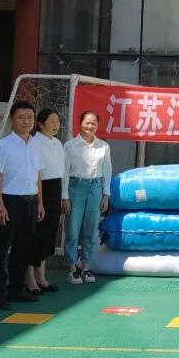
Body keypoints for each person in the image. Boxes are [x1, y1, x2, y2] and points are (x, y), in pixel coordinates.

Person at [0, 101, 44, 310]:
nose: (26, 121)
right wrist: (0, 205)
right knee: (1, 249)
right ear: (12, 120)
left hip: (31, 201)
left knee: (23, 248)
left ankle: (17, 289)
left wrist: (40, 203)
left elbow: (38, 175)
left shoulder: (36, 144)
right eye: (21, 117)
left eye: (29, 117)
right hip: (9, 201)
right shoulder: (3, 146)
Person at [62, 111, 112, 285]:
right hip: (75, 186)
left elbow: (107, 171)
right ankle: (72, 268)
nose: (90, 126)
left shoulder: (103, 146)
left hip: (96, 188)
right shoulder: (70, 146)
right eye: (87, 122)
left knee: (91, 229)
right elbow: (64, 172)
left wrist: (106, 195)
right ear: (80, 123)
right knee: (73, 229)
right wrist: (64, 196)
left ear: (97, 126)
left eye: (93, 123)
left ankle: (86, 267)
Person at [28, 109, 66, 294]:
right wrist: (40, 202)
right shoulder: (34, 142)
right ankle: (29, 279)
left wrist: (63, 196)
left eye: (57, 120)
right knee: (36, 234)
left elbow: (61, 171)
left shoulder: (57, 143)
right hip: (41, 189)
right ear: (40, 124)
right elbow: (37, 174)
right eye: (51, 121)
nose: (56, 124)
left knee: (49, 233)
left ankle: (41, 276)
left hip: (55, 188)